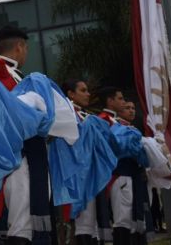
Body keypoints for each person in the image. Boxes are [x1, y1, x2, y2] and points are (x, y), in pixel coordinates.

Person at [0, 25, 51, 245]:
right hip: (15, 159)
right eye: (26, 48)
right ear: (20, 47)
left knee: (25, 225)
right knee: (21, 226)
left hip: (26, 157)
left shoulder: (13, 75)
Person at [95, 87, 148, 245]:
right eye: (120, 98)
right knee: (122, 219)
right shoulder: (104, 119)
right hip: (118, 172)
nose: (124, 102)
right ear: (110, 101)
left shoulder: (116, 121)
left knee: (130, 218)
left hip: (129, 172)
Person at [62, 79, 98, 245]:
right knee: (80, 223)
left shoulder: (84, 116)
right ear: (71, 94)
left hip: (87, 175)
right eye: (83, 90)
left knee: (89, 224)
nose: (88, 94)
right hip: (73, 177)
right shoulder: (64, 113)